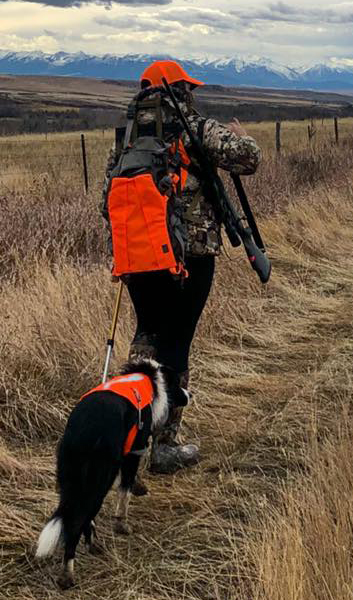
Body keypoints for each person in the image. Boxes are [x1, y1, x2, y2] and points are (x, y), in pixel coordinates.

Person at [102, 60, 261, 476]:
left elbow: (108, 199)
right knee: (177, 346)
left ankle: (130, 436)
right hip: (190, 257)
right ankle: (166, 445)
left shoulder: (127, 140)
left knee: (146, 336)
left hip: (138, 257)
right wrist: (245, 138)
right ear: (179, 91)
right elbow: (247, 160)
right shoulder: (195, 128)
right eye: (188, 87)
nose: (192, 94)